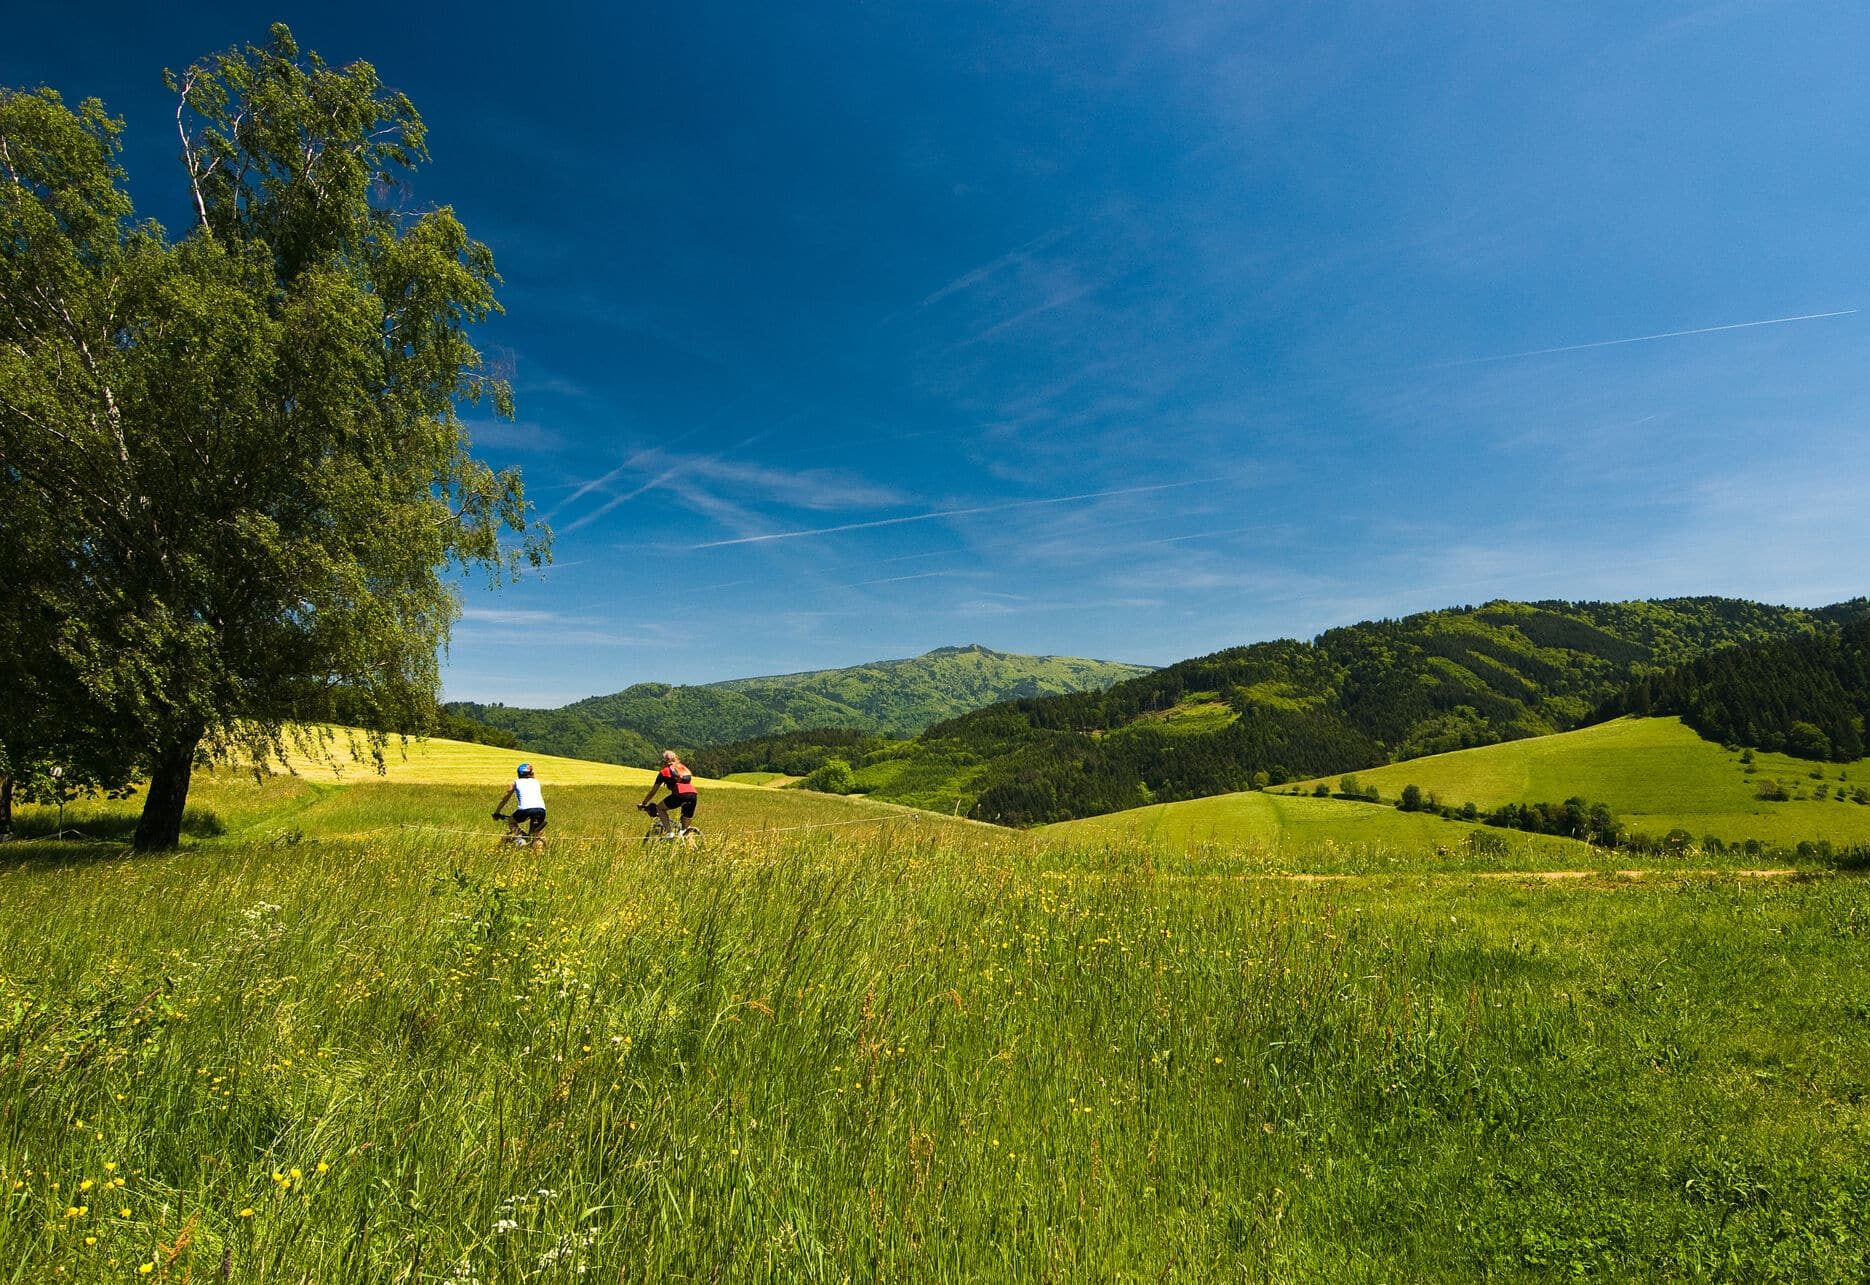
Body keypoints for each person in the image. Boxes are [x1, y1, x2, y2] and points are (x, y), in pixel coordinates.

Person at [643, 749, 698, 835]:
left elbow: (653, 792)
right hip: (693, 795)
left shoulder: (664, 772)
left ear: (664, 761)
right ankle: (684, 839)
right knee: (684, 830)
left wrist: (644, 803)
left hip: (679, 794)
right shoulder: (684, 768)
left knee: (660, 808)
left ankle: (669, 833)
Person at [494, 762, 547, 846]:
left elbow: (505, 799)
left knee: (511, 821)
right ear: (530, 774)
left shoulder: (516, 782)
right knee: (536, 835)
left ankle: (522, 838)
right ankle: (538, 857)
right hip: (541, 810)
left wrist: (497, 812)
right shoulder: (536, 782)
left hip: (525, 809)